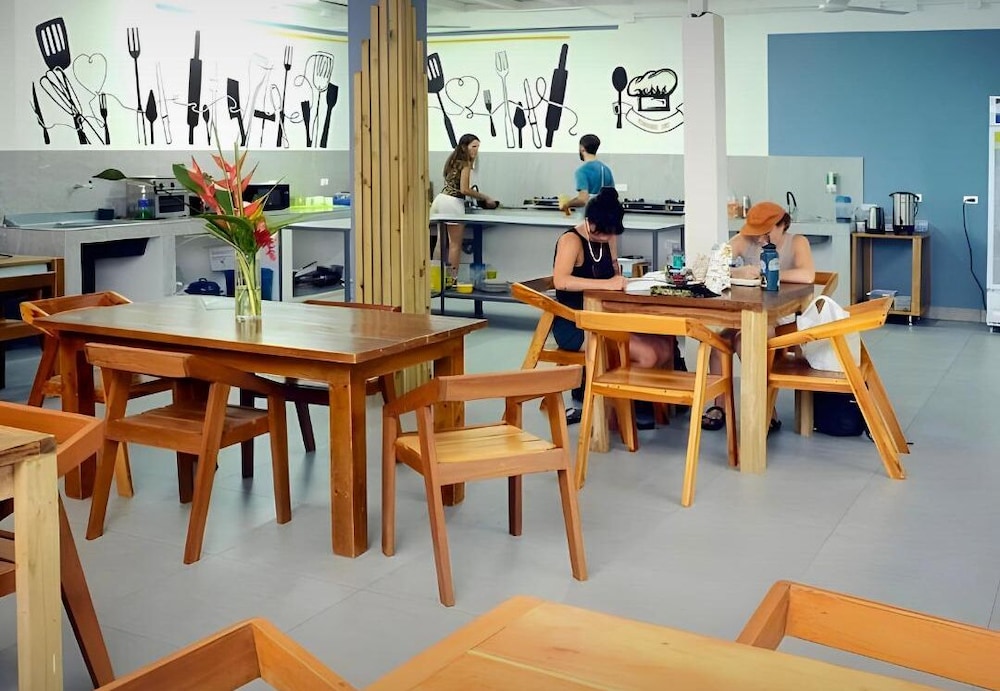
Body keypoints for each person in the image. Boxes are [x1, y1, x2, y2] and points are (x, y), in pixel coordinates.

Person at [552, 187, 673, 426]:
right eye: (603, 233)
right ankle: (613, 409)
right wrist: (607, 284)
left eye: (611, 234)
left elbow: (614, 273)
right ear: (590, 222)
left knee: (664, 348)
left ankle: (621, 404)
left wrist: (625, 283)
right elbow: (561, 281)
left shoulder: (608, 238)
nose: (607, 238)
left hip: (607, 318)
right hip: (576, 325)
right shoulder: (571, 240)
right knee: (648, 354)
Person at [701, 200, 816, 432]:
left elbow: (807, 275)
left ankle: (766, 410)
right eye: (756, 232)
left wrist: (768, 273)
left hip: (781, 317)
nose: (760, 238)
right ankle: (720, 407)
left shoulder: (797, 242)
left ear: (782, 225)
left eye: (766, 232)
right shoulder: (745, 240)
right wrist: (737, 271)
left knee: (746, 341)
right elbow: (712, 266)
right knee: (717, 345)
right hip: (746, 314)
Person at [429, 134, 496, 283]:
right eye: (474, 146)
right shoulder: (465, 164)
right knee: (455, 244)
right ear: (465, 147)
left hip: (440, 201)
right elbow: (464, 189)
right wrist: (485, 197)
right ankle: (452, 279)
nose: (476, 150)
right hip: (452, 203)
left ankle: (435, 279)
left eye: (478, 147)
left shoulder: (452, 161)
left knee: (440, 243)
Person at [559, 134, 614, 213]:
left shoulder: (582, 171)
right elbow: (612, 196)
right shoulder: (606, 169)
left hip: (589, 216)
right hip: (606, 216)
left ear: (582, 148)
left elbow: (582, 200)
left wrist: (566, 204)